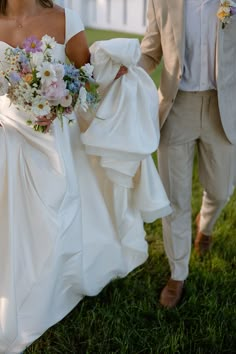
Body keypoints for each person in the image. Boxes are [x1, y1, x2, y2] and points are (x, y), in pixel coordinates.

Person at [0, 0, 171, 352]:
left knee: (57, 215)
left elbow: (87, 83)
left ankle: (50, 281)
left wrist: (109, 76)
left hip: (57, 140)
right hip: (8, 133)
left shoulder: (65, 19)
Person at [139, 0, 236, 309]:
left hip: (223, 109)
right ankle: (178, 272)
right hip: (176, 106)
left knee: (221, 190)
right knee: (174, 199)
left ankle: (204, 226)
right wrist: (127, 72)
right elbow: (151, 50)